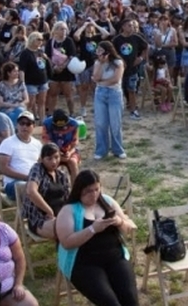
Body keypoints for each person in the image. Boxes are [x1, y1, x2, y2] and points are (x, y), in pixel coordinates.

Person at [55, 169, 138, 306]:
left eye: (96, 189)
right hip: (84, 263)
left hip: (115, 257)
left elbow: (129, 228)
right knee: (110, 303)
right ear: (79, 190)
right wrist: (92, 229)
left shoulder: (107, 202)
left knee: (130, 300)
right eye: (88, 191)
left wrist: (120, 222)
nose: (93, 195)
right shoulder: (69, 210)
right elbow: (66, 242)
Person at [23, 143, 71, 240]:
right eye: (49, 159)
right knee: (65, 230)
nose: (54, 161)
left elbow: (68, 197)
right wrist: (49, 211)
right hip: (40, 219)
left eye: (56, 157)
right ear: (42, 159)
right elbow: (31, 191)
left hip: (61, 216)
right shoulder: (37, 169)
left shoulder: (61, 175)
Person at [91, 41, 128, 160]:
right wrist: (102, 64)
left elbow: (116, 79)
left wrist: (101, 82)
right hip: (100, 94)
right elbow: (95, 77)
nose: (98, 53)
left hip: (114, 94)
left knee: (115, 123)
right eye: (98, 50)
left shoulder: (118, 62)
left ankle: (117, 149)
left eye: (101, 50)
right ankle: (101, 150)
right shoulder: (98, 63)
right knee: (101, 123)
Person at [0, 112, 43, 201]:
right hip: (13, 183)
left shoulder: (38, 144)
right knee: (28, 187)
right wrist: (27, 177)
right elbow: (3, 168)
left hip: (33, 181)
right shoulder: (8, 143)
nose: (24, 126)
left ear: (33, 126)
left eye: (28, 124)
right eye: (22, 123)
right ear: (17, 125)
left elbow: (41, 165)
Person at [42, 108, 81, 180]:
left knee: (73, 162)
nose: (60, 130)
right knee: (43, 162)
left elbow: (75, 142)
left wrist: (69, 153)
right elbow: (46, 141)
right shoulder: (46, 124)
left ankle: (75, 188)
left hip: (69, 150)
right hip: (52, 150)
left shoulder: (74, 124)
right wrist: (56, 153)